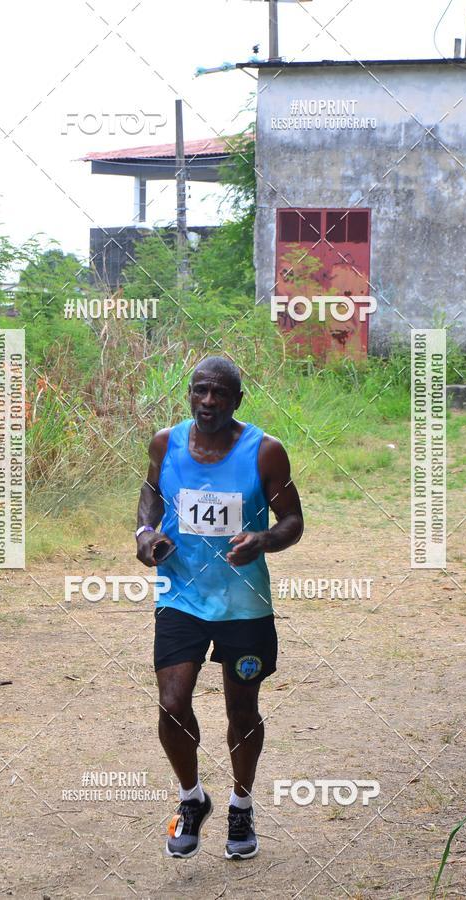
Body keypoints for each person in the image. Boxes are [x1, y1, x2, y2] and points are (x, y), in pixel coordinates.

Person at [135, 356, 304, 860]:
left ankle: (241, 804)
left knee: (242, 709)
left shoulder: (265, 452)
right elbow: (149, 494)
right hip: (181, 595)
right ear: (189, 394)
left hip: (242, 604)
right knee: (171, 702)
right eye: (200, 391)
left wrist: (264, 539)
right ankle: (192, 799)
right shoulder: (165, 443)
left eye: (219, 394)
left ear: (236, 401)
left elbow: (292, 519)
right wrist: (146, 534)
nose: (208, 402)